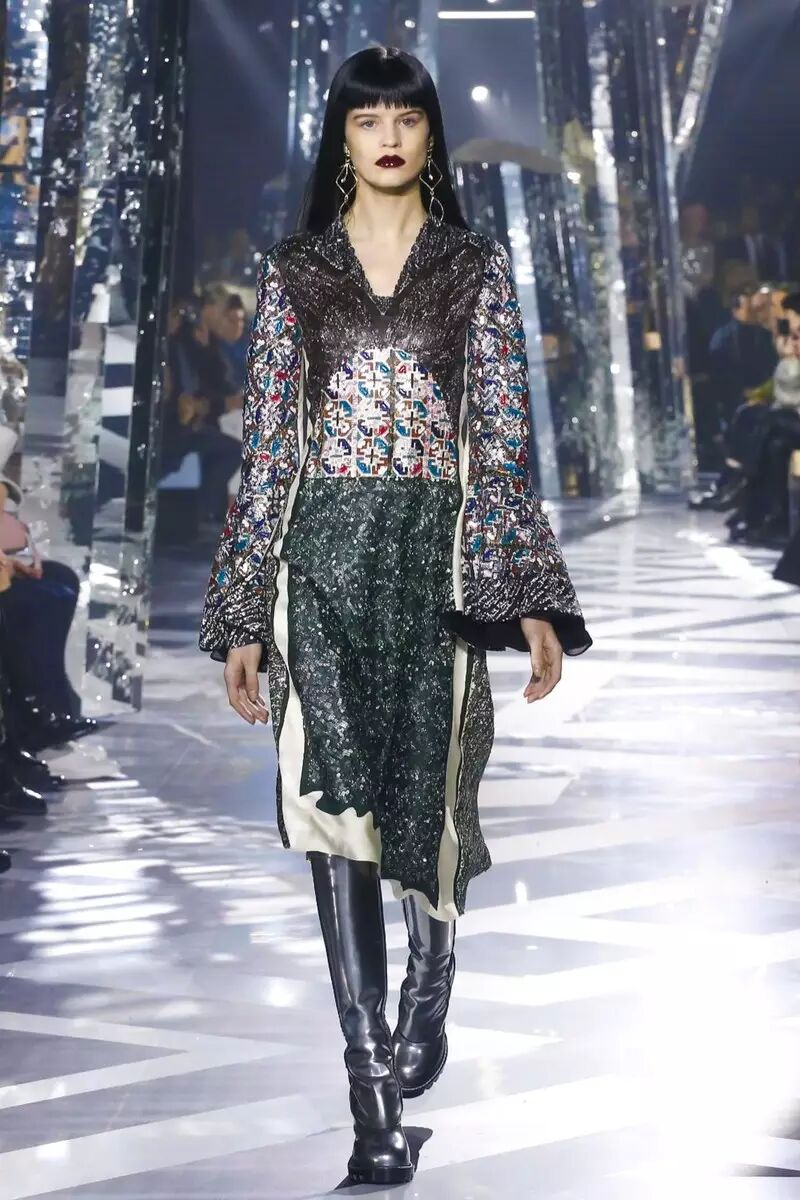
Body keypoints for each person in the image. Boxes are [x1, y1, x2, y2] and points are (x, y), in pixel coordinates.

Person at [198, 46, 592, 1187]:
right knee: (330, 820)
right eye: (365, 118)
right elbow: (270, 449)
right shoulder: (296, 272)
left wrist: (529, 600)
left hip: (435, 566)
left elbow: (502, 444)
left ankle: (432, 973)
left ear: (428, 135)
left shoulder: (474, 268)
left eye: (404, 118)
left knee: (430, 802)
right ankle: (370, 1096)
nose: (385, 136)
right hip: (318, 565)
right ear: (341, 136)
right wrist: (243, 609)